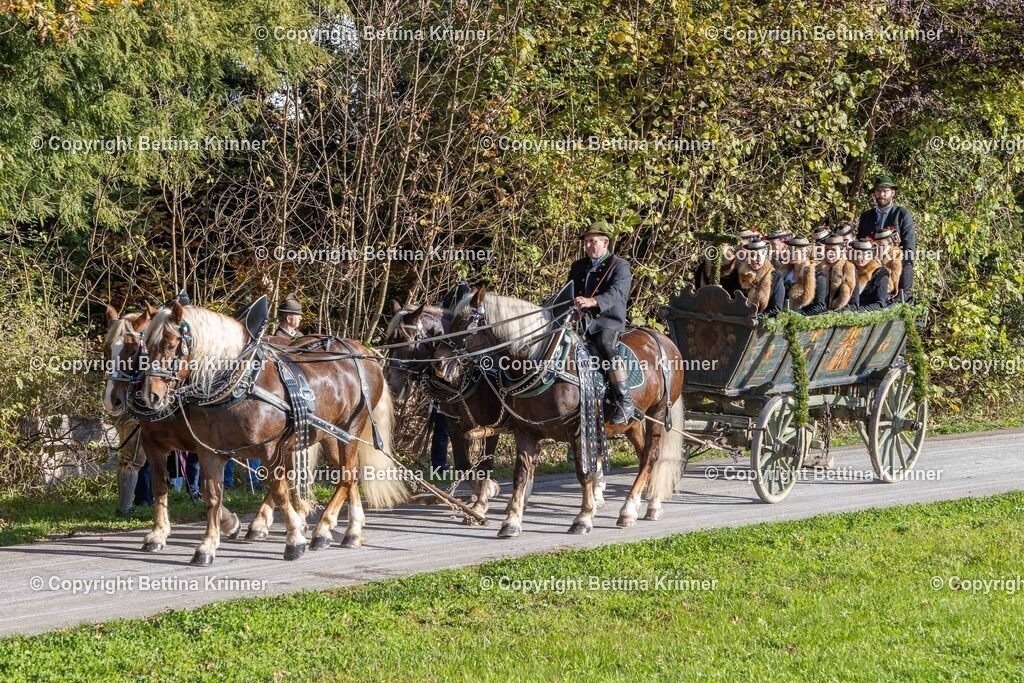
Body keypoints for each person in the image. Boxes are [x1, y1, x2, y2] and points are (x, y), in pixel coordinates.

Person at [568, 220, 635, 424]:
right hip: (580, 321)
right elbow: (568, 292)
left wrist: (593, 301)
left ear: (605, 243)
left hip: (607, 321)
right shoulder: (578, 266)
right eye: (586, 242)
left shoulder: (620, 266)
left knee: (605, 344)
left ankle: (625, 401)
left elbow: (617, 293)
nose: (588, 246)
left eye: (593, 241)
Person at [856, 175, 915, 300]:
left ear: (893, 193)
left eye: (885, 191)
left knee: (907, 260)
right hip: (869, 261)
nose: (881, 194)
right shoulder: (866, 216)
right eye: (878, 191)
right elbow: (859, 242)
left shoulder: (902, 214)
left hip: (892, 260)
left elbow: (909, 247)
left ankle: (902, 296)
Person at [737, 240, 785, 316]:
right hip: (741, 318)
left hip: (764, 320)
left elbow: (776, 308)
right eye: (751, 255)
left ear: (765, 256)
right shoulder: (742, 274)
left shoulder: (776, 276)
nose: (754, 259)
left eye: (758, 256)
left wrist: (756, 318)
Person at [785, 237, 826, 315]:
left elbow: (820, 306)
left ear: (806, 253)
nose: (789, 254)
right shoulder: (785, 272)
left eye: (794, 251)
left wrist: (800, 316)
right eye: (789, 250)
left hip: (807, 319)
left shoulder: (817, 274)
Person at [849, 240, 890, 311]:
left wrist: (857, 312)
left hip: (868, 314)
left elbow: (880, 304)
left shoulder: (880, 274)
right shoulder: (849, 270)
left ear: (871, 256)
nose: (859, 257)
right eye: (857, 254)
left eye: (863, 254)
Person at [819, 235, 856, 311]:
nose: (829, 253)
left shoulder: (849, 268)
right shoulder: (817, 268)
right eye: (827, 250)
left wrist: (836, 312)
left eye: (834, 250)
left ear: (841, 251)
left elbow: (854, 305)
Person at [874, 228, 904, 302]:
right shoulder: (873, 256)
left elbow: (894, 282)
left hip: (887, 293)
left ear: (890, 244)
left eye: (882, 245)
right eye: (877, 245)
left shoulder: (895, 258)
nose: (879, 248)